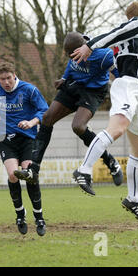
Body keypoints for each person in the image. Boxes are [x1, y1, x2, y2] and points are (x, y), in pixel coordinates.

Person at [71, 1, 138, 222]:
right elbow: (116, 33)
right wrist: (89, 45)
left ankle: (133, 198)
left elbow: (124, 68)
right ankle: (83, 170)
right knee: (118, 128)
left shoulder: (130, 44)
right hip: (128, 87)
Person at [14, 32, 123, 191]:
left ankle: (110, 162)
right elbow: (71, 66)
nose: (69, 56)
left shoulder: (103, 54)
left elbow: (119, 74)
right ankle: (33, 169)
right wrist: (64, 79)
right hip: (74, 85)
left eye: (71, 53)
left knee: (78, 127)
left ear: (81, 48)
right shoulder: (73, 53)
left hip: (93, 91)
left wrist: (129, 92)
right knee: (47, 118)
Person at [0, 62, 48, 236]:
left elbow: (44, 110)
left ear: (15, 75)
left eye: (9, 78)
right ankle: (20, 214)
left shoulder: (29, 89)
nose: (6, 82)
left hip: (27, 138)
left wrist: (31, 122)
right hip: (5, 138)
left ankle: (39, 217)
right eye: (2, 79)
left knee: (29, 175)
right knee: (13, 175)